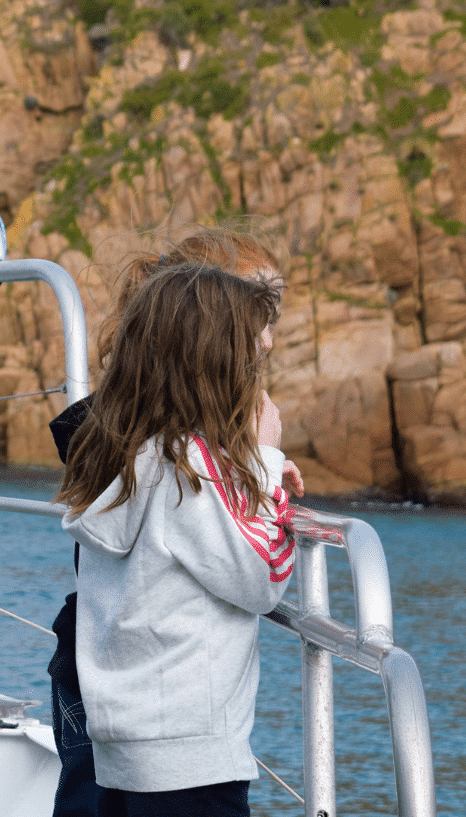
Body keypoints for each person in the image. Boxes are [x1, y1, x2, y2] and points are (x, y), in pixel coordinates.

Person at [48, 226, 303, 817]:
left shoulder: (124, 457)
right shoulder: (190, 470)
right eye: (251, 334)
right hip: (189, 763)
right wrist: (262, 464)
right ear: (215, 362)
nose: (264, 348)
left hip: (121, 752)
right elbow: (262, 574)